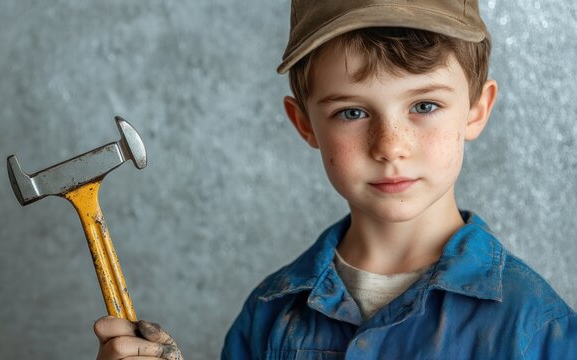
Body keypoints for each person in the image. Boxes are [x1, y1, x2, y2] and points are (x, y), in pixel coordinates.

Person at [94, 0, 577, 358]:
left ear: (476, 109)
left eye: (424, 106)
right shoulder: (269, 314)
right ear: (305, 123)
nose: (390, 145)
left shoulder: (536, 329)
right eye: (351, 112)